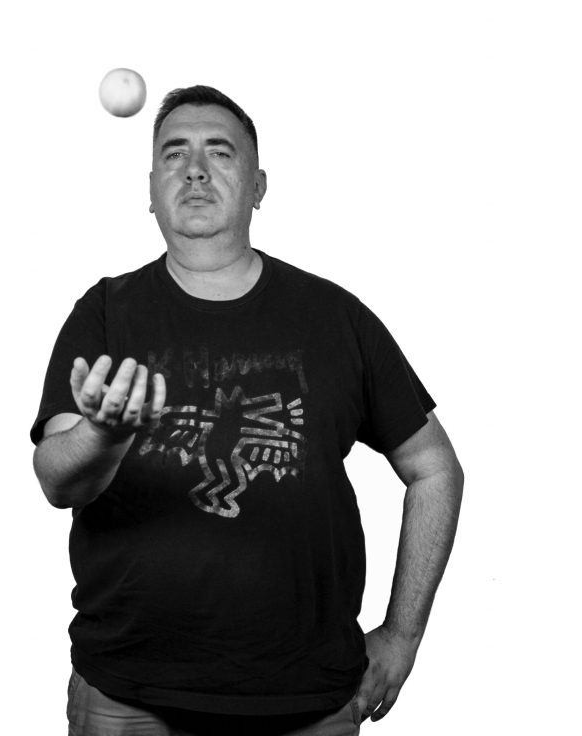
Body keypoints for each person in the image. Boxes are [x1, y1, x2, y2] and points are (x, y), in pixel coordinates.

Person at [31, 85, 464, 736]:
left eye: (220, 152)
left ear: (259, 186)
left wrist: (403, 635)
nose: (195, 169)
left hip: (309, 701)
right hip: (129, 696)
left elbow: (434, 468)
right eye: (174, 153)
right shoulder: (106, 312)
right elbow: (57, 480)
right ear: (150, 190)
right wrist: (104, 434)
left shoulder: (336, 318)